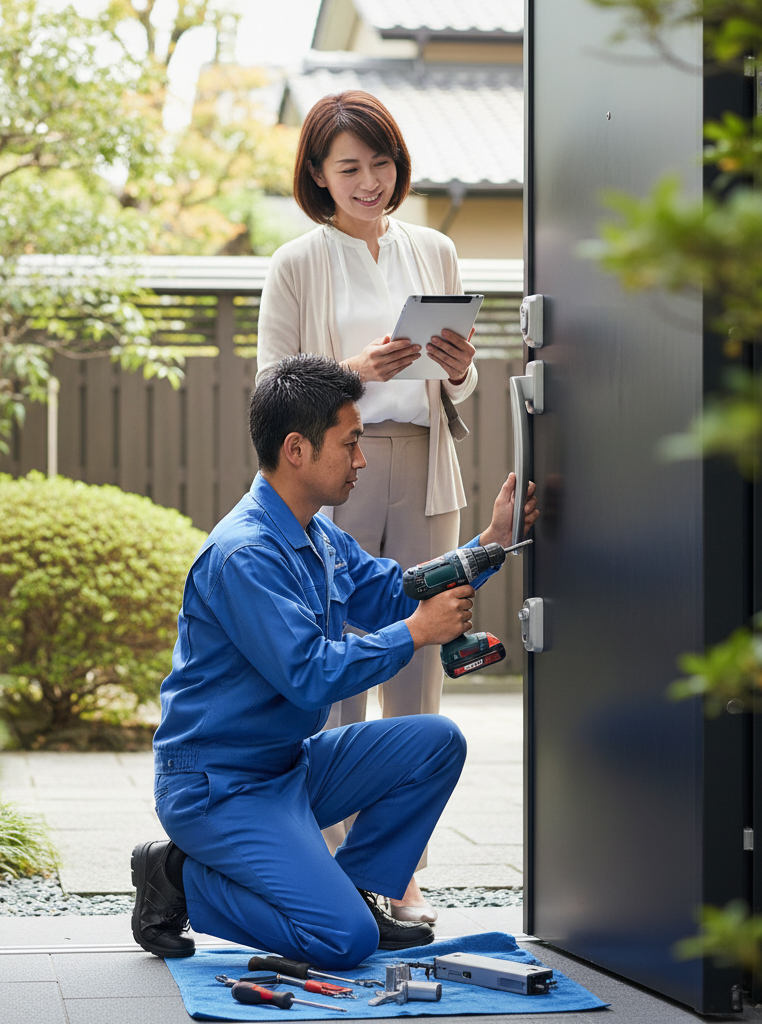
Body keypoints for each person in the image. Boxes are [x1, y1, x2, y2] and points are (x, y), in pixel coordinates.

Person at [132, 354, 538, 969]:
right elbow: (311, 675)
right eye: (350, 444)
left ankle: (354, 889)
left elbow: (396, 590)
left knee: (435, 742)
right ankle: (178, 876)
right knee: (343, 943)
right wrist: (417, 633)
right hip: (220, 787)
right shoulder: (245, 555)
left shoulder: (319, 535)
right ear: (297, 449)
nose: (362, 459)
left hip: (286, 767)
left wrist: (490, 541)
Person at [256, 90, 480, 922]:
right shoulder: (296, 263)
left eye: (381, 163)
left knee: (422, 668)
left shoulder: (436, 248)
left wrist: (458, 364)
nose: (370, 180)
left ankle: (401, 871)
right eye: (349, 166)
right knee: (339, 671)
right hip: (334, 475)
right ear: (318, 173)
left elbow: (462, 382)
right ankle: (334, 868)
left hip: (426, 469)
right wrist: (352, 371)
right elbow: (270, 391)